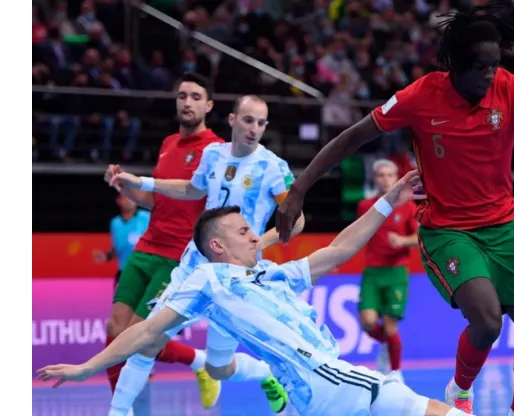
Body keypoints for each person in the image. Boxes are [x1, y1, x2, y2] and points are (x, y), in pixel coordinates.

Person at [275, 5, 514, 415]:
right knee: (489, 321)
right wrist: (299, 189)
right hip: (449, 232)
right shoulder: (421, 96)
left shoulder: (512, 88)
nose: (490, 74)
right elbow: (353, 137)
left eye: (495, 65)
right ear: (456, 65)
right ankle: (459, 391)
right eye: (481, 67)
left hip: (505, 228)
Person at [38, 172, 476, 416]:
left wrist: (389, 200)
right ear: (217, 247)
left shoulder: (272, 273)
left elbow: (340, 248)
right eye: (245, 231)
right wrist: (86, 368)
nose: (256, 236)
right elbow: (146, 333)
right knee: (434, 411)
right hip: (324, 377)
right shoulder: (209, 281)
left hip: (316, 391)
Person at [107, 95, 302, 415]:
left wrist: (258, 244)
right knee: (148, 340)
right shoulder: (213, 154)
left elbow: (297, 220)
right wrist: (141, 181)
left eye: (261, 123)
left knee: (218, 368)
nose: (254, 128)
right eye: (248, 120)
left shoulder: (273, 167)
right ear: (232, 120)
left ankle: (264, 373)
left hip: (235, 279)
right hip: (194, 267)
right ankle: (118, 411)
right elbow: (192, 190)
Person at [101, 72, 223, 408]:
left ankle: (200, 363)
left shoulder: (215, 150)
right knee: (114, 330)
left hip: (177, 256)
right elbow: (156, 200)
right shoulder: (168, 143)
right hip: (146, 248)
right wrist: (125, 185)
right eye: (182, 96)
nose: (187, 102)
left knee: (141, 339)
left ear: (208, 105)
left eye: (196, 97)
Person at [357, 159, 418, 378]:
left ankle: (395, 372)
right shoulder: (365, 206)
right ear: (374, 178)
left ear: (396, 178)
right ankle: (387, 346)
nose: (385, 179)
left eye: (389, 175)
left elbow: (421, 237)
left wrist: (402, 241)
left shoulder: (408, 207)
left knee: (391, 325)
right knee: (368, 322)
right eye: (380, 175)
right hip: (372, 272)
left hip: (396, 272)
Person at [92, 194, 151, 288]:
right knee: (118, 301)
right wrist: (106, 256)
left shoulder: (147, 217)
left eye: (132, 197)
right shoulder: (115, 223)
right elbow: (117, 248)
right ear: (119, 200)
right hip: (123, 272)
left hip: (144, 271)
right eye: (126, 197)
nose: (129, 200)